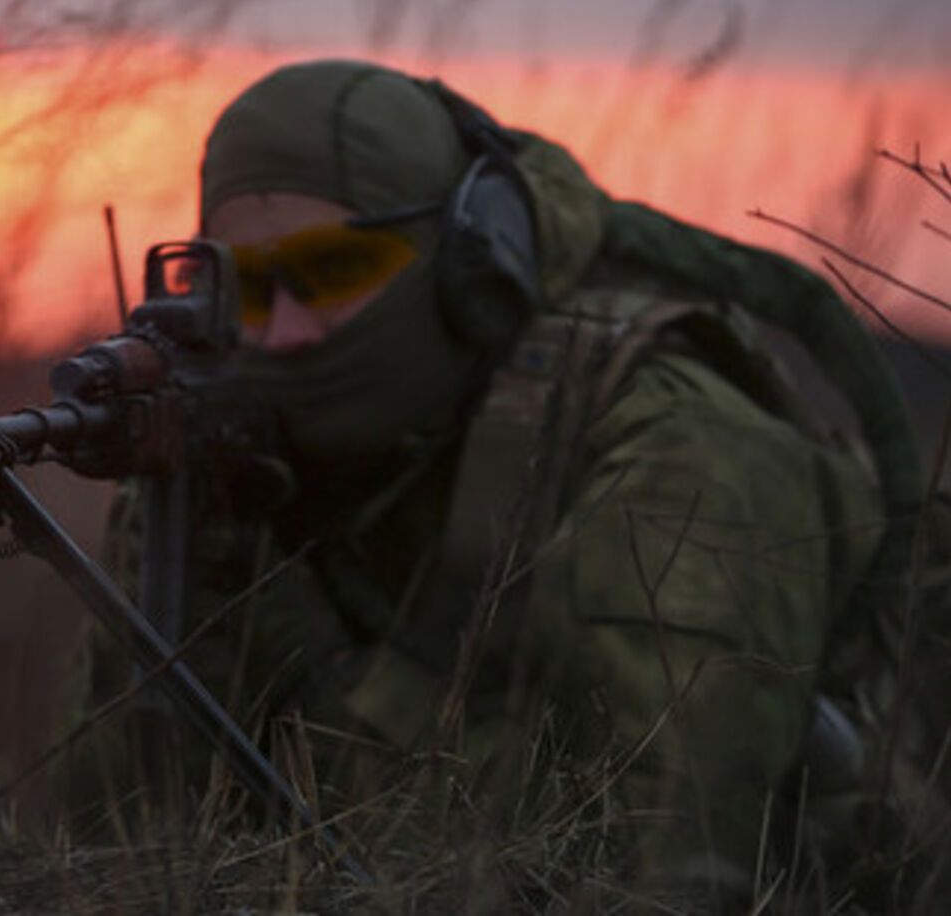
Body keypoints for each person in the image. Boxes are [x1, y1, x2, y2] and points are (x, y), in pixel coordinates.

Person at [64, 59, 933, 907]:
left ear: (470, 267)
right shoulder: (247, 457)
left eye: (333, 273)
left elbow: (645, 859)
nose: (286, 333)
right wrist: (191, 598)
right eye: (248, 290)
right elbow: (129, 849)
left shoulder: (675, 446)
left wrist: (317, 674)